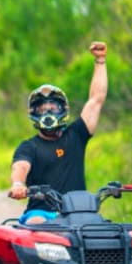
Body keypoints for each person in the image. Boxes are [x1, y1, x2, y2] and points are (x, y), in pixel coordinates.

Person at [8, 41, 108, 224]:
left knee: (102, 230)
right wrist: (18, 184)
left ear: (63, 109)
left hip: (78, 213)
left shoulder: (77, 134)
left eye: (53, 107)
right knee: (35, 223)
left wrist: (100, 60)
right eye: (42, 108)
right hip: (41, 213)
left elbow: (97, 99)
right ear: (33, 113)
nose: (47, 113)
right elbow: (20, 167)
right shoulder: (29, 147)